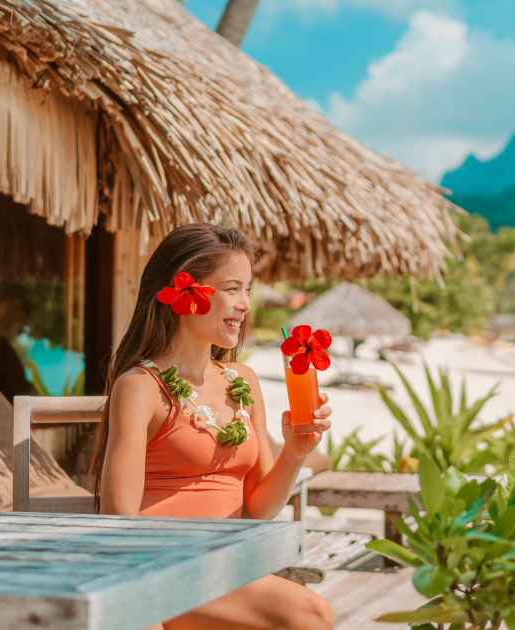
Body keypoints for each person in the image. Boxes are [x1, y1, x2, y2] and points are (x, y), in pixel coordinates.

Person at [90, 224, 334, 630]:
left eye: (248, 291)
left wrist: (295, 452)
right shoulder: (140, 387)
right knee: (309, 616)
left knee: (310, 613)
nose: (243, 305)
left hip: (226, 567)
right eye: (231, 289)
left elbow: (257, 511)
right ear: (185, 292)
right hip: (155, 568)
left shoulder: (243, 380)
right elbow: (118, 519)